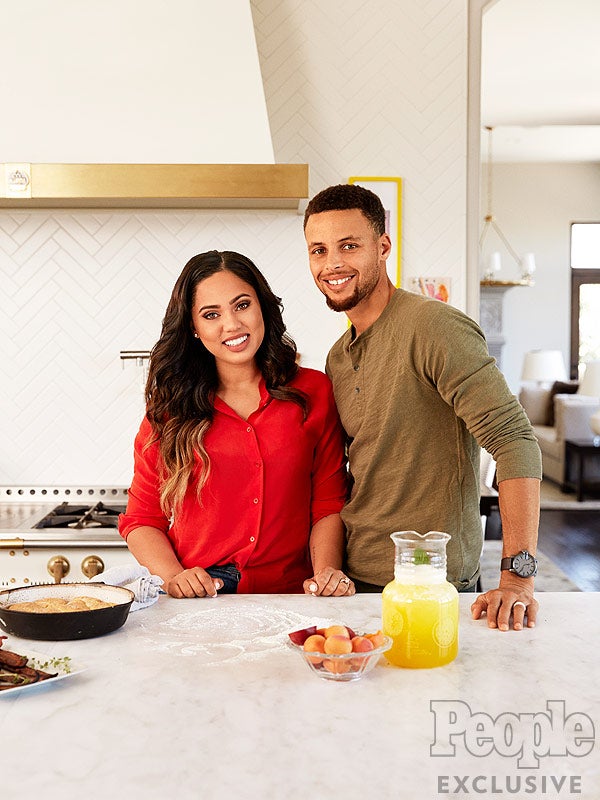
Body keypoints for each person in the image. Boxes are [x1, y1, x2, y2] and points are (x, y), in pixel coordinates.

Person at [303, 184, 542, 631]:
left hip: (433, 581)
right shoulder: (337, 356)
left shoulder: (434, 327)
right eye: (319, 250)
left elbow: (515, 442)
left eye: (348, 246)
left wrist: (517, 578)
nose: (332, 263)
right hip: (356, 581)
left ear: (383, 248)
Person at [119, 250, 354, 598]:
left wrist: (326, 574)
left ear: (262, 307)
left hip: (292, 596)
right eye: (211, 314)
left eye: (242, 305)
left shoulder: (314, 393)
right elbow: (142, 519)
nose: (231, 325)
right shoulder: (169, 412)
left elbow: (328, 504)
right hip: (201, 599)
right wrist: (174, 577)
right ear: (194, 329)